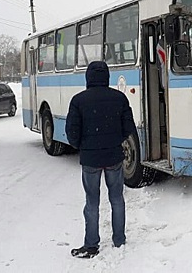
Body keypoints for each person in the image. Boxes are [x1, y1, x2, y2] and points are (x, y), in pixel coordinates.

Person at [65, 60, 135, 259]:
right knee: (117, 199)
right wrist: (115, 140)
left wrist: (83, 147)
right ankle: (119, 239)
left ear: (88, 77)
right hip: (114, 156)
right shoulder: (119, 98)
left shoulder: (78, 101)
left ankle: (91, 244)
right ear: (107, 77)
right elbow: (128, 128)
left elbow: (72, 132)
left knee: (92, 201)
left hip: (90, 159)